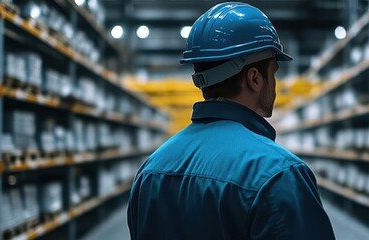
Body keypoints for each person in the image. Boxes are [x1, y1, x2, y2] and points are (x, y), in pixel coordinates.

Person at [127, 2, 335, 240]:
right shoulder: (278, 174)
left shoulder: (150, 172)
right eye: (274, 72)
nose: (274, 83)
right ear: (254, 79)